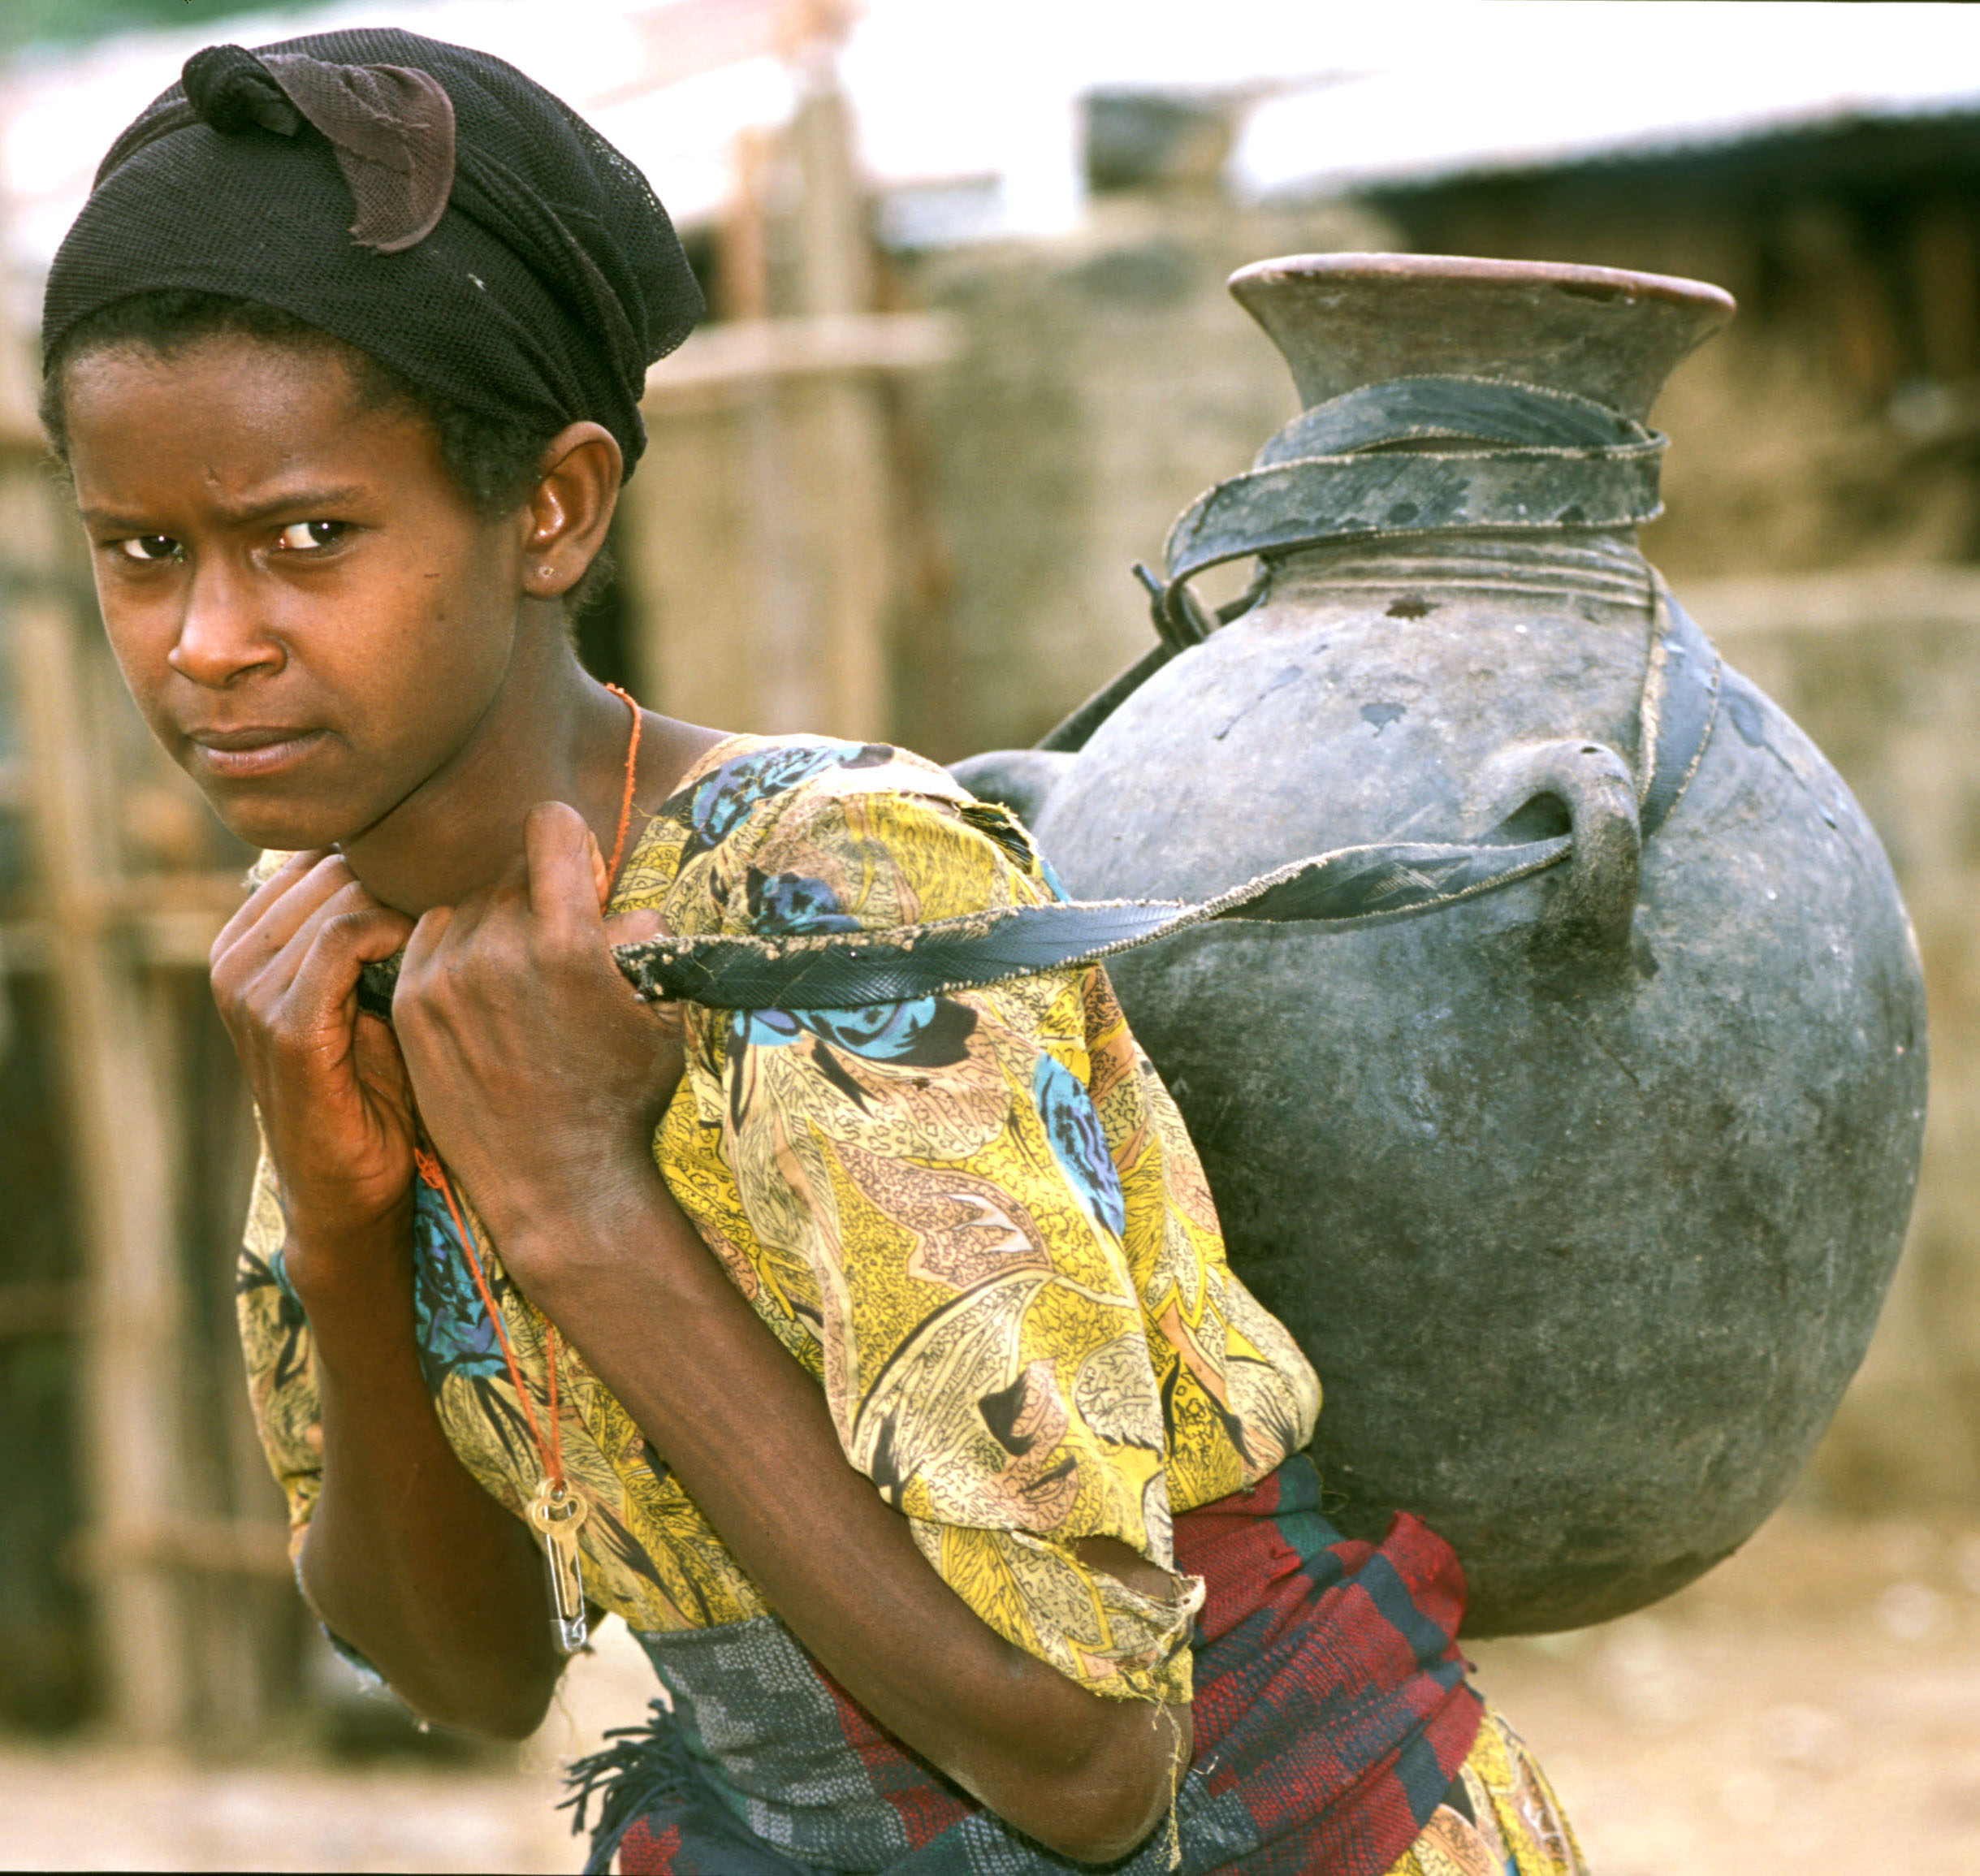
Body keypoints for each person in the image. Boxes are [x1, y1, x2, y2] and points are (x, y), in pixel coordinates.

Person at [40, 29, 1586, 1875]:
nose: (209, 639)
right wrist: (347, 1213)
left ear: (553, 506)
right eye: (142, 550)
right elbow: (465, 1672)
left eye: (310, 535)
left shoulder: (832, 896)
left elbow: (1091, 1766)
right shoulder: (322, 952)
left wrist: (583, 1208)